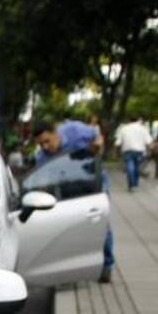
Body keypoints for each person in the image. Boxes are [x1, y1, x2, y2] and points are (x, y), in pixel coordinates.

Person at [33, 119, 114, 283]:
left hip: (94, 180)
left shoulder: (75, 130)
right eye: (41, 144)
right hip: (69, 187)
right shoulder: (42, 156)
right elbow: (41, 182)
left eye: (47, 141)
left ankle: (107, 265)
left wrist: (96, 147)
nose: (46, 147)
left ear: (56, 133)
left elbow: (97, 136)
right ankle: (74, 266)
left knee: (101, 222)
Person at [115, 115, 152, 191]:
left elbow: (118, 142)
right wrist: (149, 150)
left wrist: (117, 150)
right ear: (138, 120)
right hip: (140, 151)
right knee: (137, 166)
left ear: (129, 120)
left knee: (130, 165)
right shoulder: (143, 128)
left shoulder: (124, 129)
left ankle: (131, 183)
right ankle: (135, 183)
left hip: (127, 150)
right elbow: (148, 141)